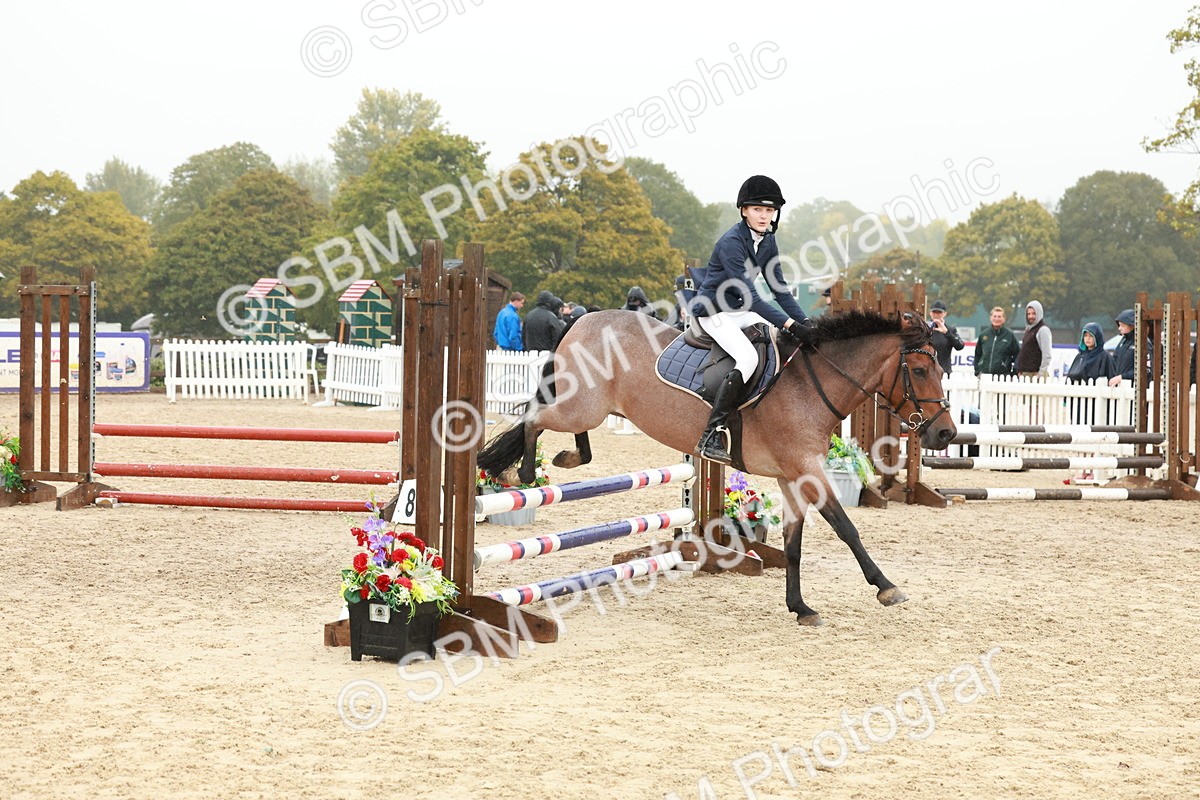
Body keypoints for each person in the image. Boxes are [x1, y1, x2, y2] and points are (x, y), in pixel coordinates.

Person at [689, 174, 813, 464]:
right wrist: (791, 324)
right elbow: (753, 299)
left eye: (769, 210)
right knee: (748, 358)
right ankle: (711, 433)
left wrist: (806, 323)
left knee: (778, 340)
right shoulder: (731, 242)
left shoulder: (768, 241)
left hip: (739, 311)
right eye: (758, 209)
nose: (764, 216)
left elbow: (780, 291)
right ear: (744, 210)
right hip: (713, 311)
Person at [1065, 322, 1118, 481]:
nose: (1087, 339)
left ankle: (1094, 470)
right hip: (1079, 404)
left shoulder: (1105, 357)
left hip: (1096, 405)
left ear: (1097, 337)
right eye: (1085, 336)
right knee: (1081, 437)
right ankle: (1083, 469)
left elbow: (1111, 379)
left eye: (1091, 336)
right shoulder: (1079, 356)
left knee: (1094, 437)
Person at [974, 306, 1020, 377]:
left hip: (1003, 376)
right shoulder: (983, 335)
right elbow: (977, 355)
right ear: (990, 318)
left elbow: (1018, 355)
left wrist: (1014, 372)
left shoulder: (1010, 336)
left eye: (999, 317)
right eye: (994, 316)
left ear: (1004, 319)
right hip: (984, 375)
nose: (996, 319)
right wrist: (977, 371)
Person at [1015, 300, 1053, 378]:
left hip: (1036, 375)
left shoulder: (1043, 330)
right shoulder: (1029, 330)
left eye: (1033, 313)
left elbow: (1047, 355)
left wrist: (1040, 373)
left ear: (1039, 313)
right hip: (1026, 375)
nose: (1030, 316)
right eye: (1028, 314)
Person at [928, 300, 964, 374]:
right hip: (927, 372)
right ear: (930, 313)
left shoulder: (951, 330)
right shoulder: (924, 329)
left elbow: (960, 346)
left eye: (939, 313)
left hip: (944, 372)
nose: (936, 315)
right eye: (934, 312)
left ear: (945, 313)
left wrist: (946, 333)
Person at [1109, 308, 1136, 386]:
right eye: (1119, 325)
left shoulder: (1143, 342)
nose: (1119, 328)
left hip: (1133, 388)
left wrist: (1122, 377)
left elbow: (1144, 370)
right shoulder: (1122, 342)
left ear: (1132, 326)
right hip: (1120, 387)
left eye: (1122, 325)